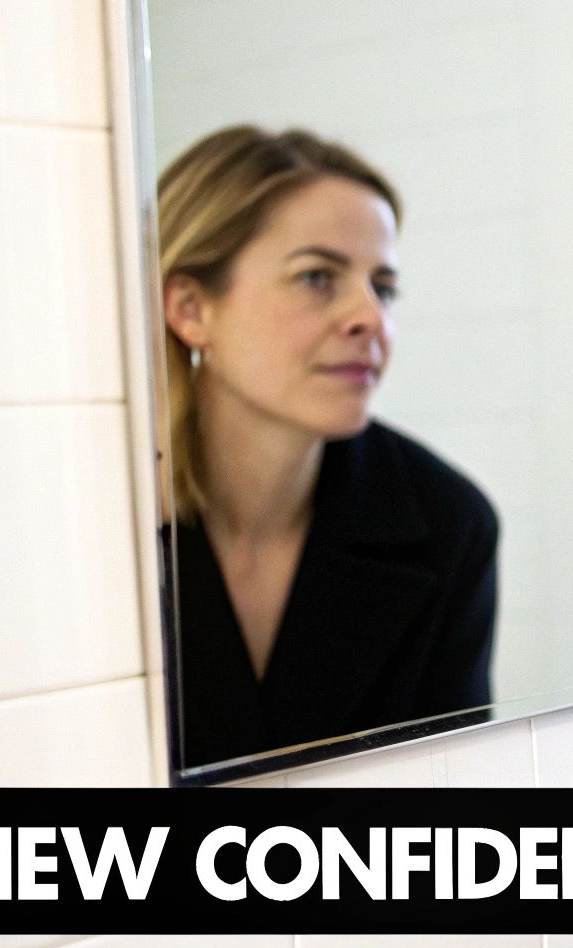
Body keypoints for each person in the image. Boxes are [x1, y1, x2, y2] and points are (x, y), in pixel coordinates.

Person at [156, 126, 499, 769]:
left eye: (383, 287)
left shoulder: (450, 524)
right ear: (192, 307)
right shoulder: (88, 527)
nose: (370, 318)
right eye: (317, 277)